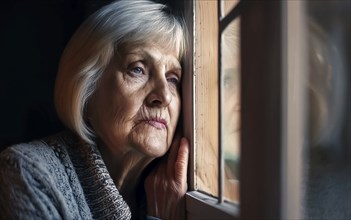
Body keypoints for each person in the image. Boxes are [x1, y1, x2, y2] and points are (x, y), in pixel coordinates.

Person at [0, 0, 189, 219]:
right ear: (86, 90)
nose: (164, 96)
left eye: (172, 78)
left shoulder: (164, 192)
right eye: (137, 69)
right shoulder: (27, 173)